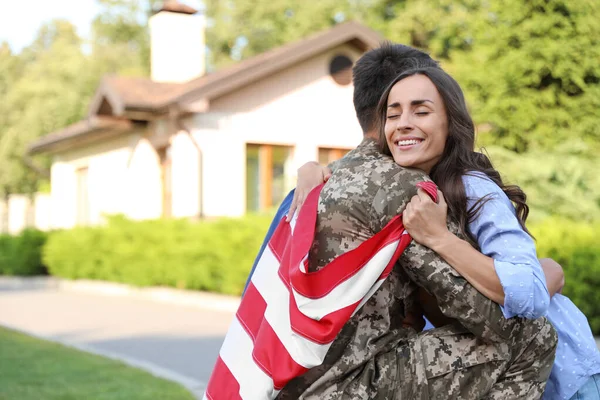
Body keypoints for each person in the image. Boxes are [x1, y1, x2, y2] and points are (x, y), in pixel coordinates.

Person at [253, 43, 558, 399]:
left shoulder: (324, 177)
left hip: (294, 378)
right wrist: (549, 276)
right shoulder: (404, 187)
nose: (405, 123)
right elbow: (484, 317)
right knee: (534, 335)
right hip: (351, 383)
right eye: (396, 111)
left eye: (421, 110)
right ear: (382, 113)